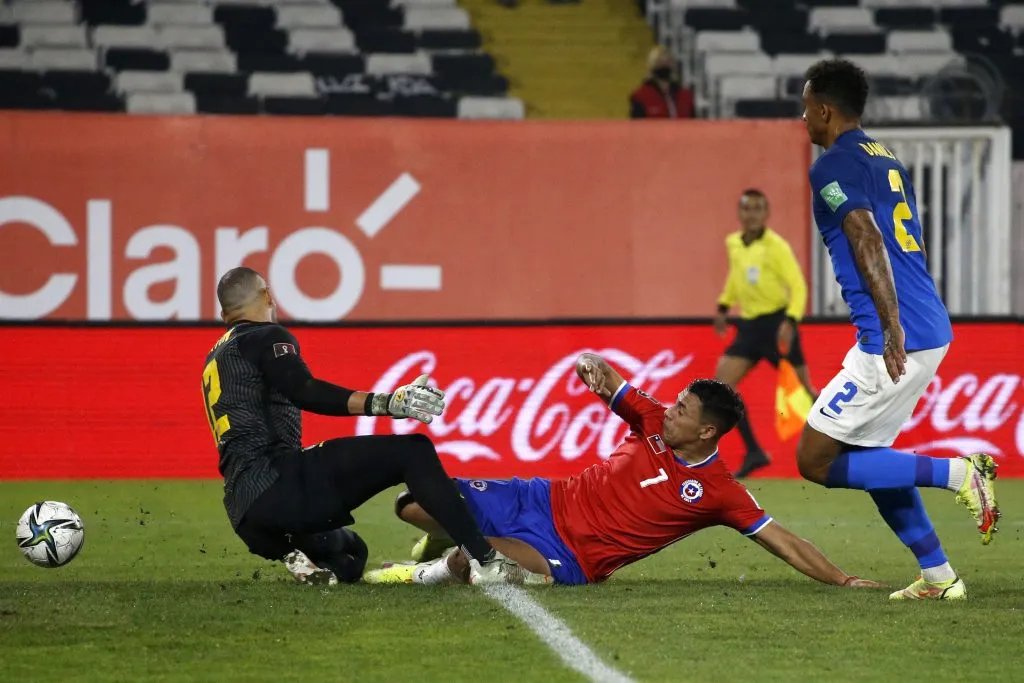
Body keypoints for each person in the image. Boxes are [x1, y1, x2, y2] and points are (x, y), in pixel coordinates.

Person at [364, 353, 881, 590]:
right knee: (412, 503)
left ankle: (423, 571)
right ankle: (452, 539)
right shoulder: (652, 417)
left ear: (707, 433)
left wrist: (844, 578)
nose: (671, 411)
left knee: (475, 562)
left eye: (684, 411)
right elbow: (608, 377)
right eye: (676, 402)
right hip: (540, 498)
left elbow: (782, 541)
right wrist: (589, 364)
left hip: (567, 556)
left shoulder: (720, 491)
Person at [798, 58, 1000, 601]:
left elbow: (866, 236)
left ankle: (959, 474)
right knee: (870, 453)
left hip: (896, 334)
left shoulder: (831, 166)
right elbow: (909, 237)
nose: (803, 119)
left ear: (823, 109)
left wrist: (890, 327)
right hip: (924, 322)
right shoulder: (882, 155)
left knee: (814, 459)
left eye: (805, 107)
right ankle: (938, 577)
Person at [200, 266, 517, 585]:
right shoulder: (266, 335)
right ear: (268, 295)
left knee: (353, 554)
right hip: (278, 483)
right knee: (413, 452)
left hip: (245, 513)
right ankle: (488, 562)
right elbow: (304, 391)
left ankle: (294, 555)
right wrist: (385, 403)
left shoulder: (215, 357)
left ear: (224, 311)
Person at [715, 189, 816, 478]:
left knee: (805, 393)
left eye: (758, 209)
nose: (752, 214)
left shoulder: (777, 247)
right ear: (740, 213)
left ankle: (847, 446)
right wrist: (723, 305)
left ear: (766, 214)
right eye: (747, 209)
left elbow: (798, 285)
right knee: (721, 386)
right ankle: (754, 452)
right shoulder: (734, 244)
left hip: (777, 325)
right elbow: (735, 278)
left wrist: (791, 321)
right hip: (749, 327)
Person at [629, 46, 694, 119]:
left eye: (668, 61)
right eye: (660, 62)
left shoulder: (685, 95)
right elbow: (636, 127)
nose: (665, 64)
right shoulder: (641, 96)